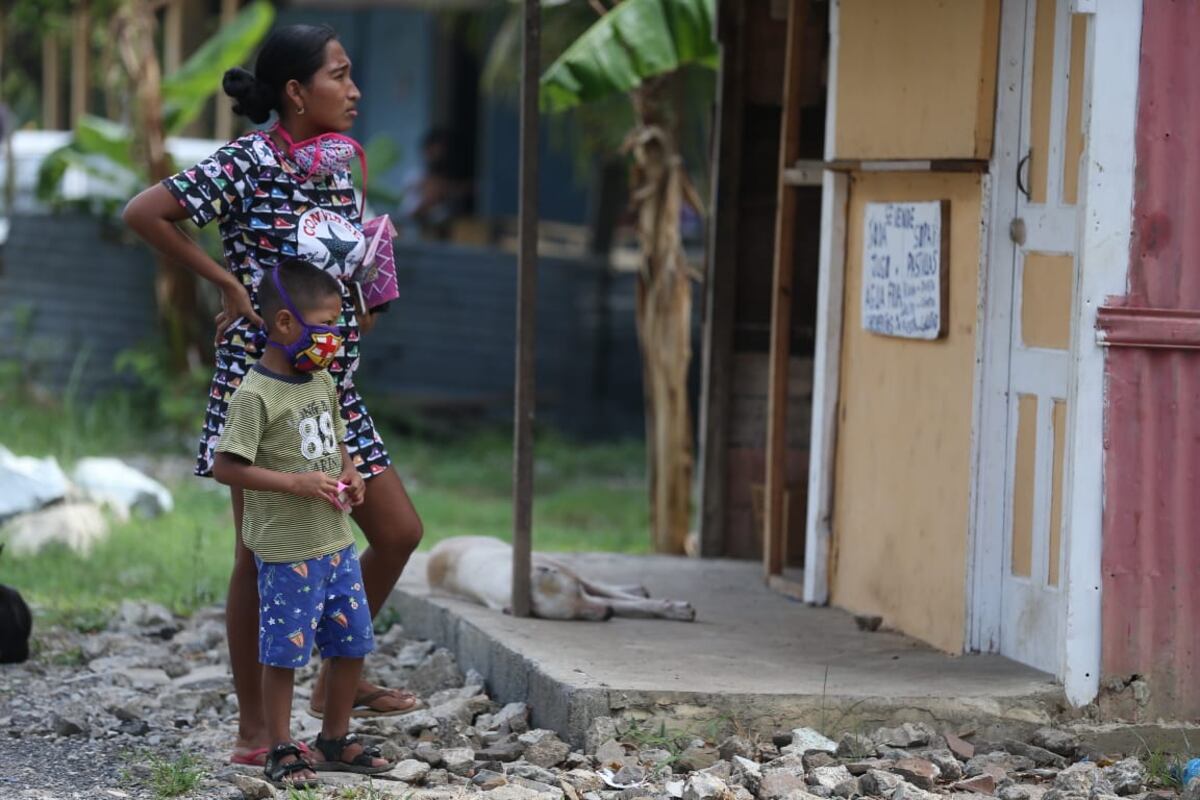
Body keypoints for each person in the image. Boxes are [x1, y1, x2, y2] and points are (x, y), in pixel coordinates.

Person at [122, 23, 424, 767]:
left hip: (330, 389)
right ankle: (257, 731)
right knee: (258, 555)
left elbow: (336, 267)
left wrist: (364, 305)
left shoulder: (336, 166)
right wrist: (225, 280)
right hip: (259, 386)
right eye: (340, 76)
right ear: (296, 91)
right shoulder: (248, 161)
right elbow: (144, 212)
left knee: (397, 533)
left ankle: (329, 693)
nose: (354, 91)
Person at [212, 259, 393, 788]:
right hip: (288, 551)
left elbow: (336, 438)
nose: (333, 339)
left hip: (336, 542)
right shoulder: (255, 394)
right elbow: (227, 466)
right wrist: (294, 483)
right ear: (286, 324)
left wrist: (351, 472)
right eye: (325, 327)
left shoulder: (319, 382)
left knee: (351, 642)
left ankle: (334, 738)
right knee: (285, 651)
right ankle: (281, 746)